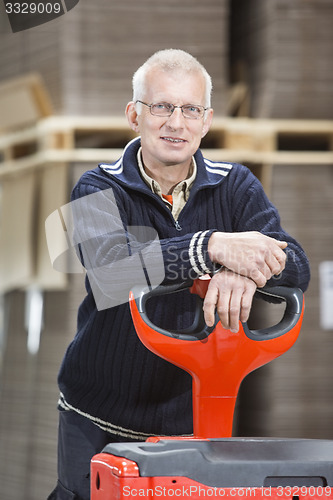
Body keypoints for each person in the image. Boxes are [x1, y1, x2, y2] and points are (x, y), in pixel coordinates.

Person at [48, 49, 310, 499]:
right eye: (161, 107)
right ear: (134, 115)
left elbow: (297, 266)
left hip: (191, 420)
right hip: (97, 419)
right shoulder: (94, 186)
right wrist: (211, 247)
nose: (176, 123)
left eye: (190, 109)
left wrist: (243, 272)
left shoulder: (237, 185)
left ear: (206, 121)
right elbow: (111, 271)